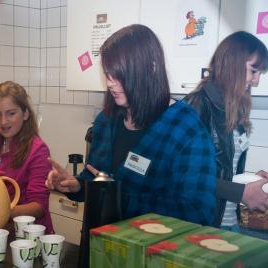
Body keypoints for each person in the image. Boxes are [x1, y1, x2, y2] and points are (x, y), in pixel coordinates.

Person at [46, 24, 217, 226]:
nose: (110, 83)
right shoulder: (106, 121)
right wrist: (77, 186)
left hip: (150, 253)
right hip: (97, 245)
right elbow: (96, 178)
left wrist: (119, 198)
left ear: (151, 68)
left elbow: (197, 211)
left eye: (119, 74)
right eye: (108, 73)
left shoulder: (185, 129)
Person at [185, 31, 268, 238]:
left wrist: (250, 182)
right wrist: (242, 193)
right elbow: (185, 176)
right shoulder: (198, 105)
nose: (256, 81)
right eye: (253, 71)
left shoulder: (235, 108)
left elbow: (224, 170)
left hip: (229, 223)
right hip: (201, 226)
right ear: (233, 64)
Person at [0, 81, 54, 234]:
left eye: (11, 113)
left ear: (25, 114)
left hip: (30, 237)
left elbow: (39, 207)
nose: (3, 121)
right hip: (1, 232)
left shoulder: (38, 150)